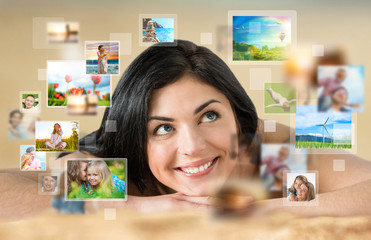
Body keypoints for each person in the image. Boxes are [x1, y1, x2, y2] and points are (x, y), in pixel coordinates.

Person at [1, 40, 371, 217]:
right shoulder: (122, 171)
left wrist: (267, 211)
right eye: (163, 128)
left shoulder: (267, 156)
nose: (192, 146)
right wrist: (134, 207)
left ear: (238, 117)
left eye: (209, 116)